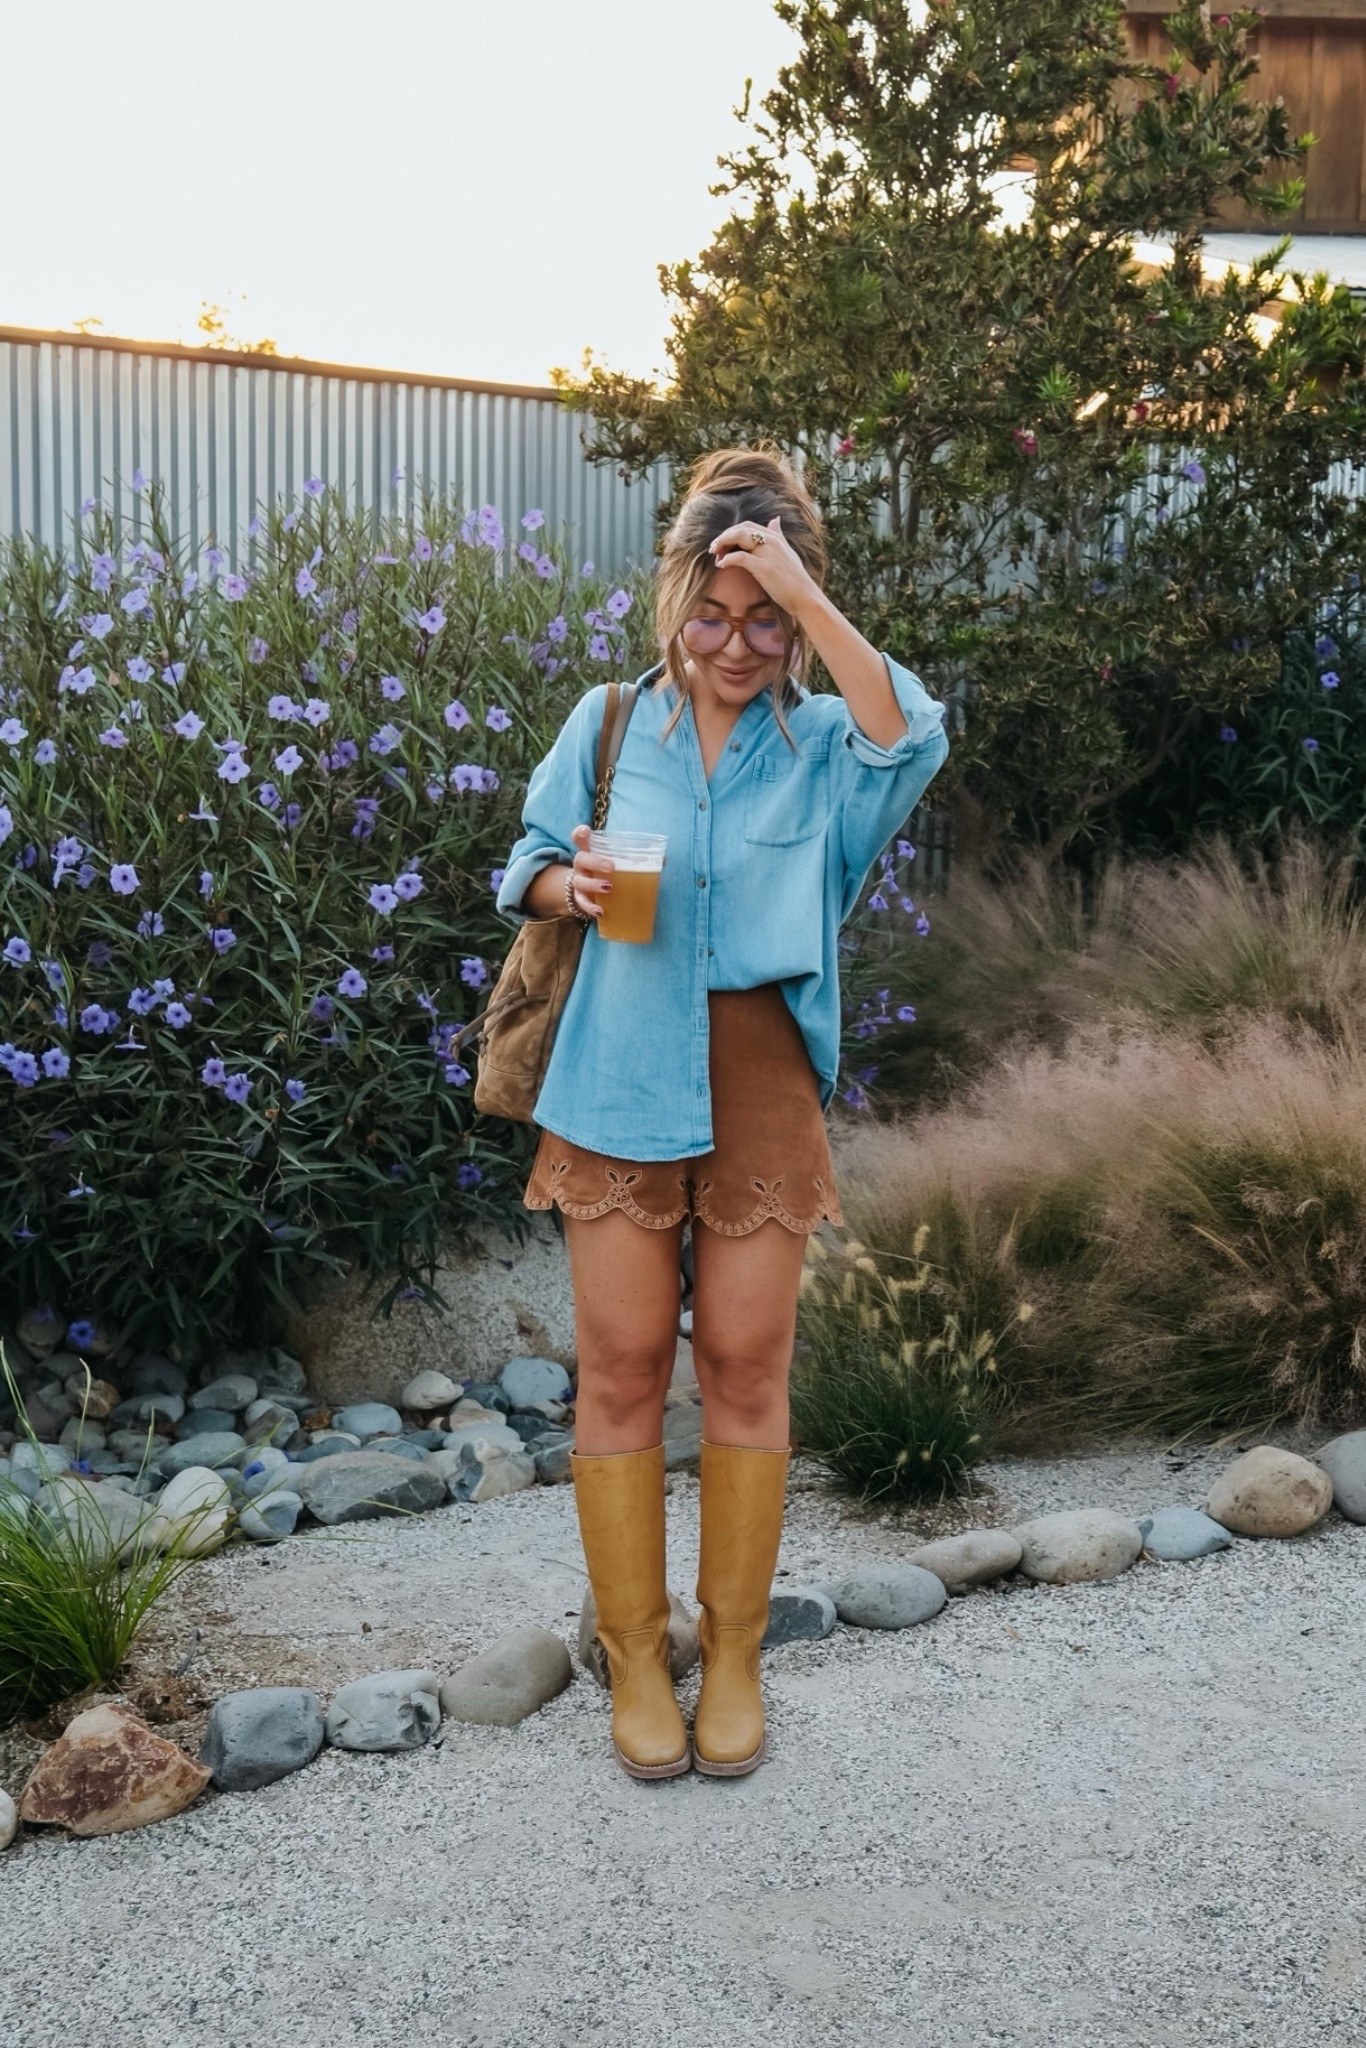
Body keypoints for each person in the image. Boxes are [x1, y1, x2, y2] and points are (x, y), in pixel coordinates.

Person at [495, 446, 951, 1780]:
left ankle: (733, 1652)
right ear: (671, 596)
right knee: (626, 1364)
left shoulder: (824, 747)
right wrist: (562, 891)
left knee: (747, 1364)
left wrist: (799, 590)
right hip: (614, 1071)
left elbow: (908, 729)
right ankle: (638, 1654)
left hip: (758, 1081)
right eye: (713, 609)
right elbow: (521, 857)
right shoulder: (607, 724)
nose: (736, 642)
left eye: (763, 616)